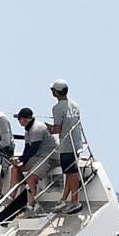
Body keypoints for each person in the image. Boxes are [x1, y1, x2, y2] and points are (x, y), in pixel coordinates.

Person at [9, 107, 59, 215]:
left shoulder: (37, 128)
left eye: (20, 119)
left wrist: (22, 159)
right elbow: (27, 148)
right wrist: (20, 160)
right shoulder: (27, 130)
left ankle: (30, 206)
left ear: (25, 120)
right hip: (38, 155)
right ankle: (11, 197)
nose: (18, 121)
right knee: (15, 168)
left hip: (49, 156)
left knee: (31, 178)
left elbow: (33, 149)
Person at [49, 79, 85, 214]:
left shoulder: (57, 108)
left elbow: (57, 129)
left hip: (67, 144)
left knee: (72, 173)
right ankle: (64, 199)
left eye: (52, 90)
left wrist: (49, 129)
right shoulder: (74, 104)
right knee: (69, 173)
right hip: (77, 142)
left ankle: (75, 201)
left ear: (56, 92)